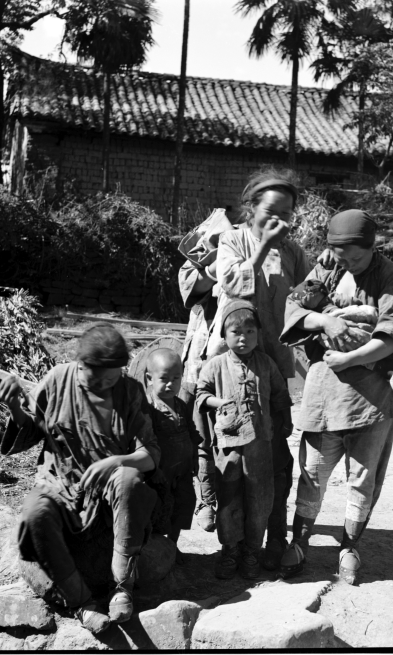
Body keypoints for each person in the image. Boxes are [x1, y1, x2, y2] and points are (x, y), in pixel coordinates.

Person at [278, 209, 393, 585]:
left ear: (373, 248)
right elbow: (292, 309)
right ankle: (299, 541)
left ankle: (350, 546)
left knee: (362, 479)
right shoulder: (325, 269)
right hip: (324, 395)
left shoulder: (389, 277)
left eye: (356, 257)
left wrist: (351, 357)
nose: (348, 264)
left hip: (369, 399)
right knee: (311, 474)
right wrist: (326, 320)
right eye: (341, 257)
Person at [0, 324, 159, 634]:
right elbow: (30, 430)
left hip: (106, 493)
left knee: (128, 479)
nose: (103, 386)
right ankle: (82, 603)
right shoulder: (58, 379)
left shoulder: (129, 392)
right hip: (60, 483)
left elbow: (151, 454)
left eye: (111, 380)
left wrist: (116, 461)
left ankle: (123, 587)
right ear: (80, 365)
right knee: (34, 512)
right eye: (95, 379)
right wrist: (15, 405)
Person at [209, 168, 311, 571]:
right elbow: (232, 284)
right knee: (232, 456)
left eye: (286, 213)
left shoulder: (292, 252)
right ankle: (232, 541)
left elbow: (307, 295)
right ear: (251, 208)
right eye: (270, 211)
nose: (278, 221)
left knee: (274, 451)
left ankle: (271, 537)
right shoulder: (233, 239)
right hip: (233, 364)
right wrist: (261, 247)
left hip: (274, 366)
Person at [195, 299, 293, 580]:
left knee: (259, 501)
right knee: (229, 501)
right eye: (236, 332)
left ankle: (252, 550)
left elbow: (279, 395)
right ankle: (231, 550)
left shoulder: (266, 363)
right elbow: (201, 394)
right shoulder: (215, 366)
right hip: (228, 448)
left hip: (261, 446)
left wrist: (285, 420)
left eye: (250, 332)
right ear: (224, 337)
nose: (244, 338)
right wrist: (218, 401)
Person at [177, 208, 241, 533]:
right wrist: (219, 264)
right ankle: (205, 501)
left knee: (228, 436)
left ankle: (229, 508)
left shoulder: (248, 259)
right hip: (198, 362)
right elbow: (190, 286)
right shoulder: (197, 262)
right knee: (198, 435)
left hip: (232, 364)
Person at [144, 348, 202, 565]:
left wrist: (196, 457)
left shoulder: (182, 403)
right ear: (150, 378)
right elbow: (144, 440)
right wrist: (153, 469)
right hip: (160, 472)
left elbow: (191, 431)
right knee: (159, 508)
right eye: (164, 379)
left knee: (183, 505)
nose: (170, 384)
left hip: (183, 470)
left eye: (176, 378)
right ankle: (153, 549)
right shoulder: (148, 407)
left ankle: (173, 546)